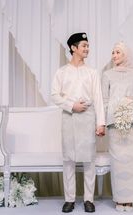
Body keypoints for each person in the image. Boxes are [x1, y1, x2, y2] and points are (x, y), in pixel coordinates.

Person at [51, 32, 105, 213]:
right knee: (69, 160)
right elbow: (54, 95)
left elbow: (98, 98)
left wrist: (101, 123)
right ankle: (70, 199)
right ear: (73, 48)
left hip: (88, 117)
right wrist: (71, 105)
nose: (87, 48)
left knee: (89, 160)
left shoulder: (92, 72)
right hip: (69, 118)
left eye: (88, 46)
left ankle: (89, 199)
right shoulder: (61, 72)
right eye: (83, 46)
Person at [101, 41, 133, 212]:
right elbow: (104, 100)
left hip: (132, 123)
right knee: (118, 162)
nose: (114, 56)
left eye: (118, 52)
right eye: (113, 52)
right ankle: (120, 199)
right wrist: (112, 114)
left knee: (132, 161)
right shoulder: (107, 75)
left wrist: (132, 105)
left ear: (126, 54)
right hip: (115, 123)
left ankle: (131, 200)